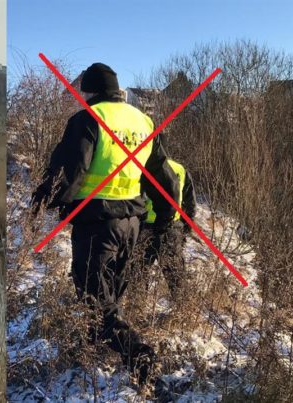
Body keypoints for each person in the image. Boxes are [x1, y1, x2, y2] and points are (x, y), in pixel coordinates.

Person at [30, 62, 180, 389]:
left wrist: (39, 204)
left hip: (97, 225)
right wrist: (167, 216)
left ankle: (140, 358)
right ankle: (95, 352)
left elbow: (69, 172)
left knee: (97, 303)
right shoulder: (142, 121)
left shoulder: (87, 119)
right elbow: (163, 175)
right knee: (110, 297)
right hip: (132, 226)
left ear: (89, 91)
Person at [136, 159, 196, 298]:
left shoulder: (143, 166)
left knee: (137, 276)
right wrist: (185, 229)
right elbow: (190, 203)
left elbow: (136, 198)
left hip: (145, 229)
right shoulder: (180, 168)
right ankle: (182, 313)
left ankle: (135, 312)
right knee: (176, 278)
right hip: (171, 229)